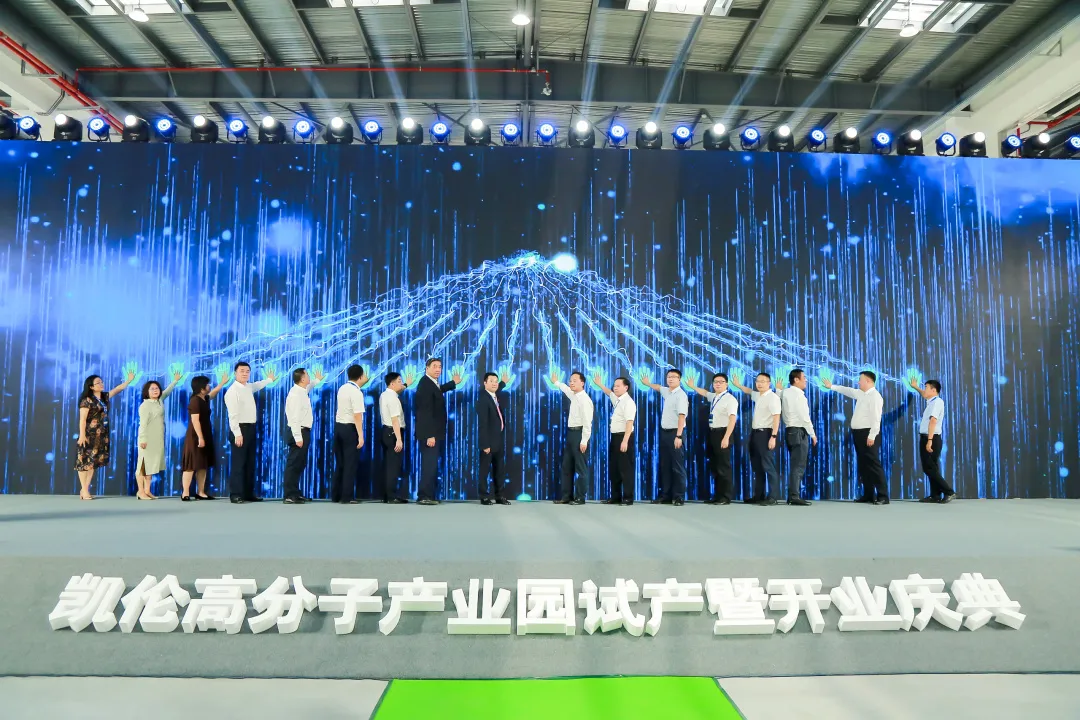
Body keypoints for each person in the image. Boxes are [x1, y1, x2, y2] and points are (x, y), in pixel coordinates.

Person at [823, 371, 886, 504]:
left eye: (860, 380)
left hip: (868, 434)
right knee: (863, 465)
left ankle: (883, 496)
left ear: (868, 381)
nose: (858, 382)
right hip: (859, 434)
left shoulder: (875, 396)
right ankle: (868, 494)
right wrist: (831, 386)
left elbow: (876, 419)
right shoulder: (861, 394)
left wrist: (872, 435)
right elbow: (848, 391)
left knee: (873, 465)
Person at [75, 370, 135, 500]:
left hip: (101, 435)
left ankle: (85, 489)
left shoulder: (104, 397)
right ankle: (84, 490)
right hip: (89, 435)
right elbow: (82, 419)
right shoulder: (86, 400)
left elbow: (117, 389)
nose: (101, 384)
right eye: (98, 383)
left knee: (93, 462)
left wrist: (129, 380)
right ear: (91, 386)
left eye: (101, 382)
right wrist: (82, 435)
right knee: (84, 462)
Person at [223, 361, 276, 504]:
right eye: (242, 371)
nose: (245, 374)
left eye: (247, 371)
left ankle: (248, 493)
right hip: (239, 430)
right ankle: (235, 494)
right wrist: (237, 434)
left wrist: (269, 380)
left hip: (251, 429)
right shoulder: (232, 391)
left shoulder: (247, 387)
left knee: (250, 463)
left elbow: (257, 385)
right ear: (235, 373)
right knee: (239, 464)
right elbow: (232, 416)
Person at [413, 358, 463, 506]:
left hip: (435, 433)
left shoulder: (431, 383)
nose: (438, 369)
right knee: (429, 466)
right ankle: (424, 496)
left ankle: (429, 495)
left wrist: (453, 383)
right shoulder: (425, 384)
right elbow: (425, 411)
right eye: (434, 366)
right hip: (429, 434)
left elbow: (438, 390)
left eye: (440, 367)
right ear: (427, 368)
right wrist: (430, 434)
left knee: (432, 465)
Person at [731, 372, 782, 505]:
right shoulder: (759, 396)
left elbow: (776, 417)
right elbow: (749, 391)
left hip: (766, 433)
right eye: (757, 381)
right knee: (757, 467)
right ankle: (759, 496)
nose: (759, 384)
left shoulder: (773, 397)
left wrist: (773, 436)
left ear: (769, 383)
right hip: (755, 434)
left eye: (763, 381)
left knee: (768, 466)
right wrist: (738, 385)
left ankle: (773, 497)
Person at [640, 369, 690, 506]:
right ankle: (666, 496)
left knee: (677, 466)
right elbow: (658, 387)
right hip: (665, 433)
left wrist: (679, 436)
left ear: (679, 379)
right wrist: (647, 383)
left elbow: (682, 416)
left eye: (674, 377)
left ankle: (679, 497)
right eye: (669, 377)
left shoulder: (681, 395)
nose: (670, 379)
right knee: (666, 466)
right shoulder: (668, 392)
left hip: (676, 433)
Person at [687, 372, 738, 505]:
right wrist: (692, 386)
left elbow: (732, 419)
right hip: (713, 433)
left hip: (723, 433)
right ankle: (717, 495)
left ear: (726, 384)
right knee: (715, 466)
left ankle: (725, 497)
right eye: (716, 382)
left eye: (721, 382)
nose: (718, 384)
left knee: (723, 467)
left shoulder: (730, 399)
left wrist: (726, 437)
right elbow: (704, 393)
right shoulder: (715, 397)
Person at [180, 371, 229, 501]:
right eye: (207, 385)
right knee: (191, 465)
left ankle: (201, 492)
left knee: (202, 464)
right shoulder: (195, 401)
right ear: (201, 388)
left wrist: (222, 383)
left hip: (205, 434)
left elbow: (212, 394)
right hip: (195, 437)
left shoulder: (204, 398)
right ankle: (185, 493)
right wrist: (200, 438)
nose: (209, 386)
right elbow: (195, 421)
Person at [134, 371, 182, 500]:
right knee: (142, 465)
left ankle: (147, 490)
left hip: (157, 439)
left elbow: (166, 392)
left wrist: (175, 380)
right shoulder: (145, 406)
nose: (155, 390)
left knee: (151, 465)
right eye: (152, 389)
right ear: (147, 391)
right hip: (146, 439)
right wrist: (143, 439)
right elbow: (142, 424)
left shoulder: (159, 401)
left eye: (157, 388)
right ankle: (140, 492)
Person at [592, 373, 637, 505]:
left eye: (618, 386)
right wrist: (600, 384)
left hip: (624, 437)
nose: (614, 388)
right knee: (615, 468)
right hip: (615, 437)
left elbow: (629, 422)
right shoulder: (618, 400)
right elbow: (609, 393)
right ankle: (615, 496)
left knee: (625, 469)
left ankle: (628, 497)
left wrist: (625, 441)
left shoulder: (628, 402)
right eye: (614, 385)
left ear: (626, 388)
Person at [552, 370, 594, 505]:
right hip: (571, 434)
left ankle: (580, 497)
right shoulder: (574, 395)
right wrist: (556, 382)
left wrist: (584, 440)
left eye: (574, 381)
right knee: (567, 467)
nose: (571, 383)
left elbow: (588, 423)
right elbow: (565, 389)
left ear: (582, 383)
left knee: (581, 468)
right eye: (570, 380)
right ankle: (566, 496)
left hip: (579, 435)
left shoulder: (585, 400)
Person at [910, 376, 954, 503]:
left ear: (934, 390)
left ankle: (949, 491)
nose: (924, 390)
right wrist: (916, 387)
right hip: (927, 438)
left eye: (926, 388)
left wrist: (929, 440)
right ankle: (935, 495)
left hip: (931, 438)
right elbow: (924, 395)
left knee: (929, 468)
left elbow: (933, 421)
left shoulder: (937, 402)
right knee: (931, 468)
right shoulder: (932, 401)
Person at [775, 369, 815, 506]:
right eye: (804, 377)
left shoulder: (785, 392)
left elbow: (778, 398)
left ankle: (793, 495)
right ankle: (794, 496)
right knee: (798, 465)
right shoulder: (798, 395)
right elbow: (804, 417)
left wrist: (778, 390)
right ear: (796, 380)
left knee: (795, 465)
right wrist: (812, 434)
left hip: (790, 431)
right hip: (799, 431)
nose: (806, 380)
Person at [332, 364, 367, 504]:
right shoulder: (356, 392)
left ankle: (336, 495)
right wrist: (361, 435)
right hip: (350, 429)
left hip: (338, 427)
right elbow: (357, 415)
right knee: (350, 464)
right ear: (361, 376)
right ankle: (347, 496)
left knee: (340, 463)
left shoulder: (342, 388)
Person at [476, 371, 512, 505]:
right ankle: (484, 496)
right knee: (484, 471)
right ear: (485, 383)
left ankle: (499, 496)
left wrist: (503, 383)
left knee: (499, 471)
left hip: (498, 441)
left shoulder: (494, 396)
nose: (494, 384)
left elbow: (498, 388)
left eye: (496, 382)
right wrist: (485, 444)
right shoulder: (483, 399)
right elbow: (483, 424)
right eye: (491, 381)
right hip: (488, 443)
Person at [283, 368, 313, 504]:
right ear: (302, 378)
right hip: (298, 432)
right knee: (294, 464)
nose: (309, 377)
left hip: (303, 431)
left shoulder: (302, 391)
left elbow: (309, 386)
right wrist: (298, 437)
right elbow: (294, 418)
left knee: (300, 463)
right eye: (307, 375)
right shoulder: (295, 394)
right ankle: (289, 494)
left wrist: (317, 380)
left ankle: (295, 492)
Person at [379, 372, 409, 504]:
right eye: (399, 381)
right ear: (392, 384)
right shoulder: (393, 399)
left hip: (386, 432)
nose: (401, 384)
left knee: (388, 465)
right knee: (393, 466)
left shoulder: (384, 394)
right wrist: (399, 439)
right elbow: (395, 420)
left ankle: (387, 495)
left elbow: (400, 389)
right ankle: (392, 496)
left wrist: (406, 385)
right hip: (393, 433)